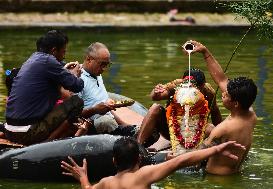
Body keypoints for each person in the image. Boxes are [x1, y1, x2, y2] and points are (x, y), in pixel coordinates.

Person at [61, 137, 245, 189]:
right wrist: (216, 149)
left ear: (114, 160)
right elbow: (181, 160)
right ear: (139, 159)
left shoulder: (106, 183)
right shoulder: (143, 175)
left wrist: (83, 177)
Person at [188, 40, 258, 175]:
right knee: (207, 127)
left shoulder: (223, 129)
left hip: (214, 177)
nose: (223, 93)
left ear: (236, 103)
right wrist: (205, 52)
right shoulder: (250, 114)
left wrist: (172, 157)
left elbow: (195, 159)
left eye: (226, 95)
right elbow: (221, 79)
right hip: (235, 172)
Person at [4, 30, 84, 145]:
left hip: (9, 130)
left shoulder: (33, 58)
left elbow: (54, 69)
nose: (64, 56)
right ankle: (48, 143)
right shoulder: (48, 61)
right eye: (63, 52)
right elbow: (77, 86)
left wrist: (65, 70)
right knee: (77, 102)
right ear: (53, 50)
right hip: (27, 133)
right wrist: (75, 74)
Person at [137, 68, 222, 147]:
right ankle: (138, 146)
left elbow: (215, 113)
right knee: (155, 108)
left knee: (210, 129)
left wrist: (222, 135)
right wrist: (156, 92)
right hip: (172, 129)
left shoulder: (209, 93)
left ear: (203, 85)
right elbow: (155, 97)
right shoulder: (176, 86)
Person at [76, 42, 137, 136]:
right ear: (88, 59)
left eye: (107, 64)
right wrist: (94, 110)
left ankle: (128, 138)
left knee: (151, 134)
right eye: (102, 64)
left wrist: (123, 124)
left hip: (110, 125)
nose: (104, 69)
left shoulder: (97, 75)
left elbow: (106, 107)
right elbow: (74, 115)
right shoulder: (77, 78)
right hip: (89, 127)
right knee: (106, 121)